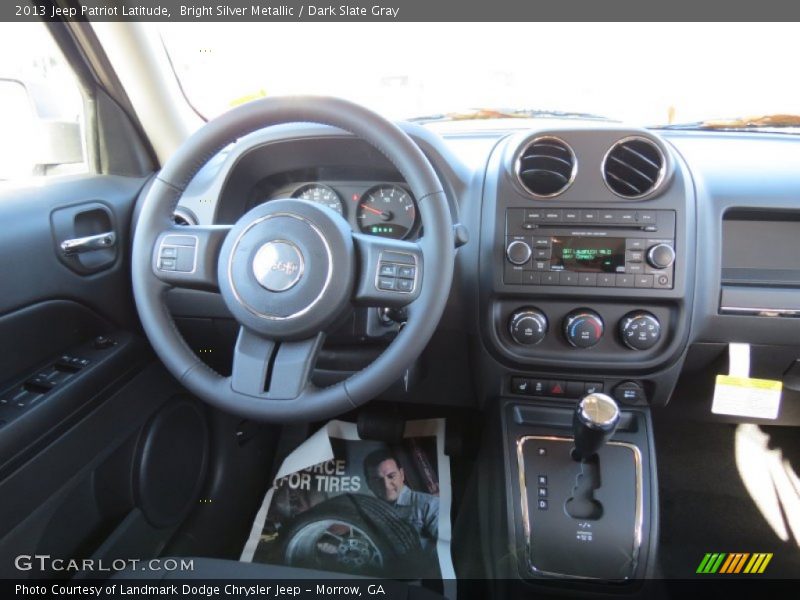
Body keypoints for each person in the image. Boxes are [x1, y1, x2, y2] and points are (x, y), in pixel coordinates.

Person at [363, 448, 440, 548]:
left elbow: (447, 547)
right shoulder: (367, 512)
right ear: (369, 483)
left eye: (391, 476)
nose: (386, 485)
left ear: (402, 475)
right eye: (377, 480)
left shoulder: (430, 504)